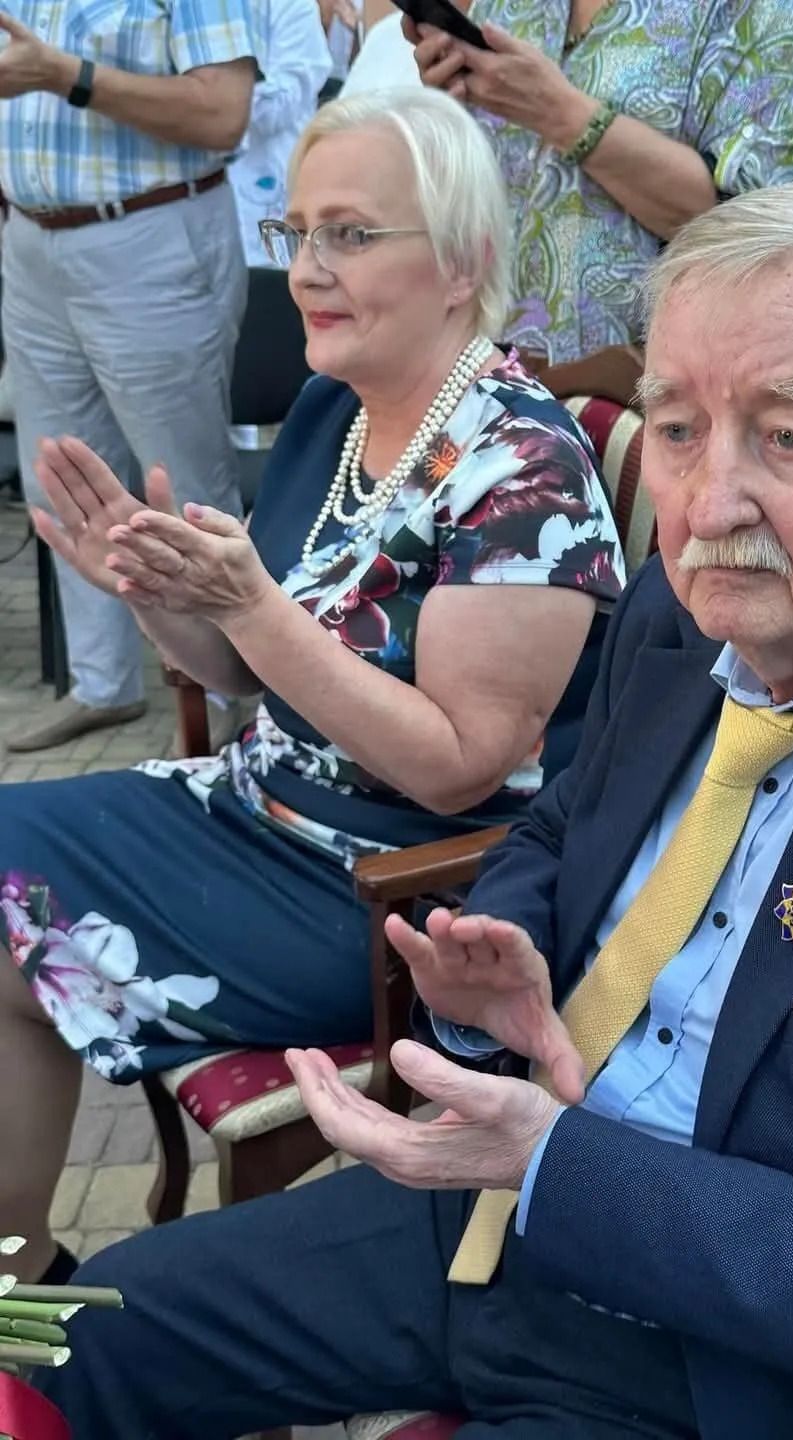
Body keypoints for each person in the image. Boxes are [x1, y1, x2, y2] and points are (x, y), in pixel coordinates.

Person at [37, 178, 793, 1440]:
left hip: (720, 1359)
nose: (708, 506)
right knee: (60, 1342)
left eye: (791, 435)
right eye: (677, 427)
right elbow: (563, 819)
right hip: (492, 1200)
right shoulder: (692, 598)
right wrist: (505, 956)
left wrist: (560, 1165)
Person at [0, 86, 623, 1286]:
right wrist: (149, 586)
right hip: (257, 813)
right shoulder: (340, 407)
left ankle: (22, 1297)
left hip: (396, 899)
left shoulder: (524, 467)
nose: (305, 270)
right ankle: (21, 1286)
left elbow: (458, 765)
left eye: (350, 233)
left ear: (463, 262)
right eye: (295, 233)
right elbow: (243, 671)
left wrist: (249, 603)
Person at [0, 0, 258, 752]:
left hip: (148, 234)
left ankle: (229, 697)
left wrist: (66, 75)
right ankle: (103, 686)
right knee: (59, 475)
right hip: (32, 240)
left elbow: (222, 112)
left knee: (184, 486)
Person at [407, 0, 793, 362]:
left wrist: (562, 116)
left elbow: (745, 229)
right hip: (483, 369)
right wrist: (449, 108)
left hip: (640, 383)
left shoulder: (751, 9)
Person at [229, 0, 332, 265]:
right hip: (197, 213)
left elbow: (279, 105)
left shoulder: (291, 6)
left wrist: (206, 95)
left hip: (267, 199)